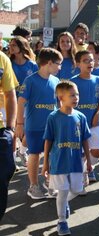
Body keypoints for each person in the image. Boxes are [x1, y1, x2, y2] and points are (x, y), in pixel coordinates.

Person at [42, 80, 91, 235]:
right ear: (60, 97)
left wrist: (89, 161)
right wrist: (45, 164)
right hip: (59, 161)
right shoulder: (53, 117)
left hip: (76, 161)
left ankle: (63, 205)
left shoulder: (81, 117)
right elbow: (48, 140)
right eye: (72, 95)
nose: (76, 97)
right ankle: (62, 221)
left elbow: (85, 139)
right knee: (62, 192)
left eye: (77, 94)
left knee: (77, 190)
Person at [16, 48, 62, 199]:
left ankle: (49, 183)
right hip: (34, 126)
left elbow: (59, 105)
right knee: (35, 155)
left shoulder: (56, 81)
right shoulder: (30, 81)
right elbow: (21, 102)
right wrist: (19, 123)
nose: (60, 67)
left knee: (52, 155)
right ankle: (33, 186)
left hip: (52, 126)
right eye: (58, 64)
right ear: (49, 63)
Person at [70, 50, 99, 184]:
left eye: (91, 60)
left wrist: (97, 114)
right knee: (79, 152)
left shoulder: (98, 80)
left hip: (95, 123)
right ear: (78, 64)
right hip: (78, 124)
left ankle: (86, 169)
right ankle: (80, 178)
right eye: (85, 61)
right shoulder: (73, 82)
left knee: (97, 151)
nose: (89, 63)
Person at [9, 36, 38, 167]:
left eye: (13, 45)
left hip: (28, 103)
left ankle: (22, 151)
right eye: (10, 45)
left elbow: (37, 82)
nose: (11, 47)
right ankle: (12, 159)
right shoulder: (9, 63)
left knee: (26, 130)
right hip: (12, 101)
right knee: (13, 131)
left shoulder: (32, 65)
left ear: (21, 47)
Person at [0, 50, 18, 221]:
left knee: (3, 176)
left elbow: (10, 94)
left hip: (0, 130)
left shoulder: (2, 58)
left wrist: (11, 129)